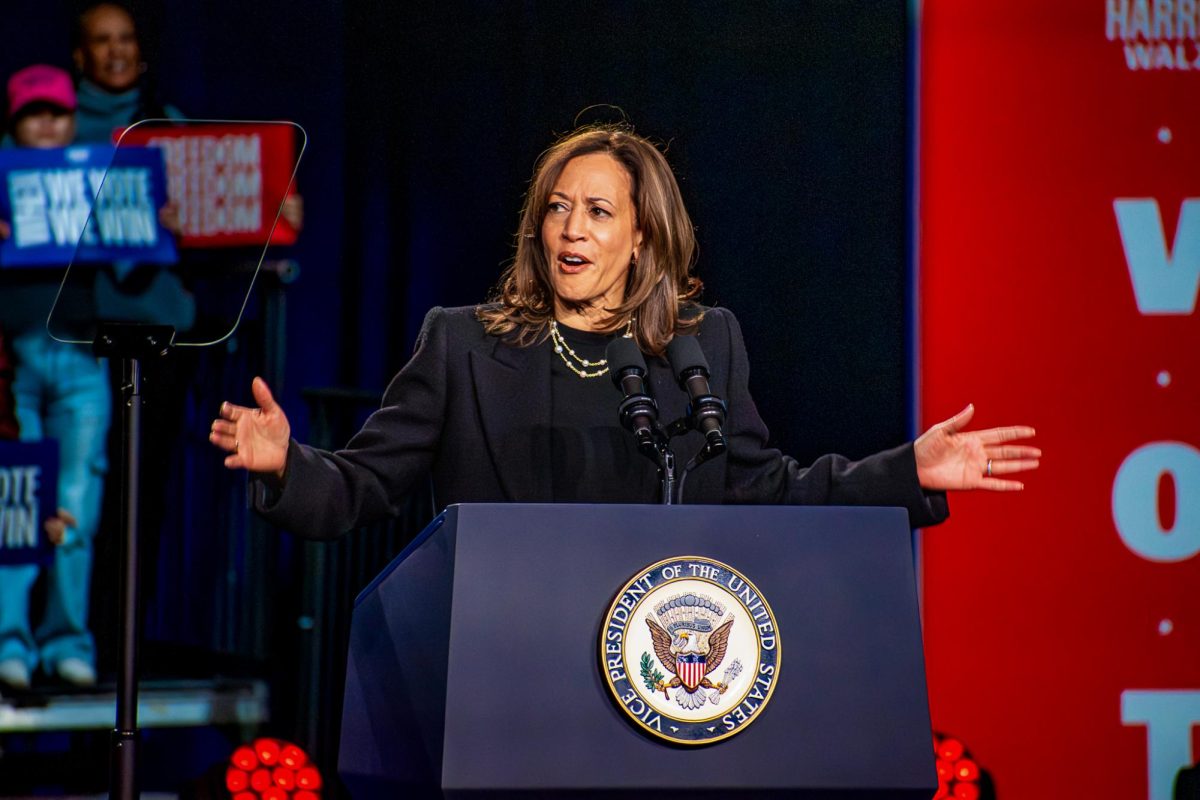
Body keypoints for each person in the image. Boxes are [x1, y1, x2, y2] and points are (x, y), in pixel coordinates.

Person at [209, 124, 1039, 539]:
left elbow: (767, 489)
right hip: (502, 673)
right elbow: (365, 484)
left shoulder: (699, 347)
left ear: (641, 236)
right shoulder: (462, 344)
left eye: (598, 212)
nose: (571, 230)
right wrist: (289, 464)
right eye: (557, 209)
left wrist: (907, 471)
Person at [0, 65, 104, 689]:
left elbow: (138, 236)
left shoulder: (94, 175)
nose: (47, 123)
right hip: (12, 362)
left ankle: (68, 639)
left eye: (59, 112)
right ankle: (9, 640)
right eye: (33, 112)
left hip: (82, 357)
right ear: (14, 121)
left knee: (77, 502)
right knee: (15, 502)